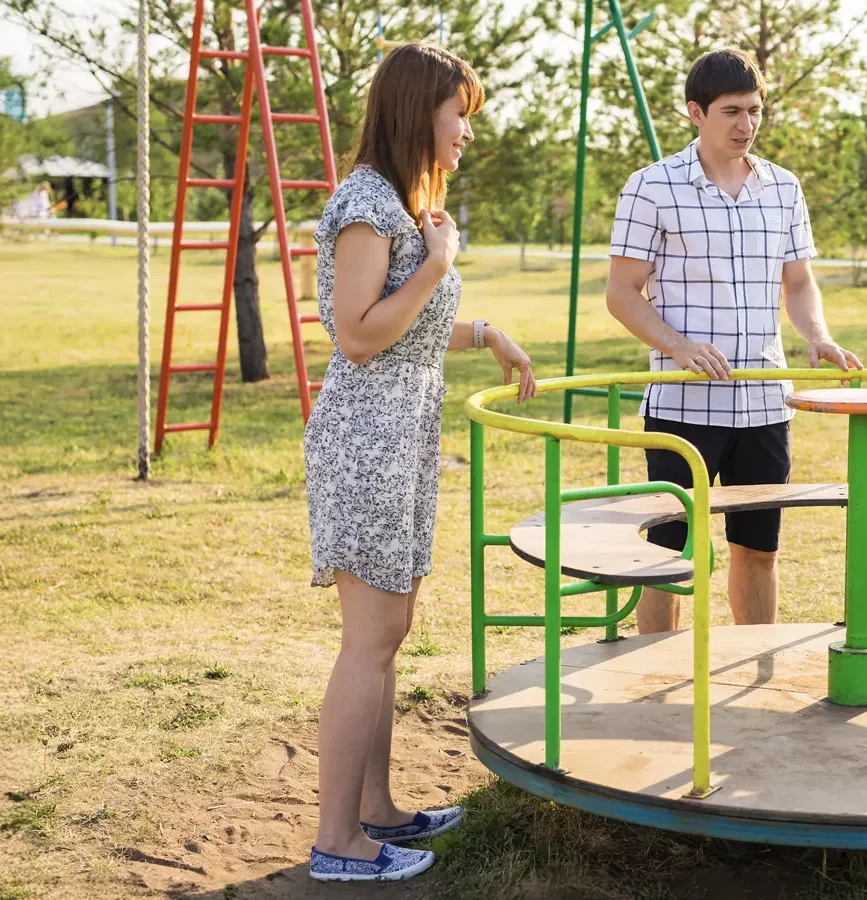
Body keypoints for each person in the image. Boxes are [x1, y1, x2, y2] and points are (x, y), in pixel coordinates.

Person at [303, 43, 537, 883]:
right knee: (369, 641)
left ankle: (376, 811)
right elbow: (360, 336)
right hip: (366, 440)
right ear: (418, 113)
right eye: (459, 113)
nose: (468, 131)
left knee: (386, 636)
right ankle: (339, 843)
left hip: (398, 438)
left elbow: (410, 328)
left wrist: (484, 334)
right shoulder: (368, 205)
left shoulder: (402, 203)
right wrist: (438, 263)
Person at [606, 48, 863, 634]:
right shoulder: (650, 187)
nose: (746, 125)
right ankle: (655, 690)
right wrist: (675, 344)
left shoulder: (783, 188)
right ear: (695, 112)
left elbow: (798, 283)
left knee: (759, 550)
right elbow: (622, 293)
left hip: (764, 404)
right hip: (683, 406)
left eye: (755, 111)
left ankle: (752, 677)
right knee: (668, 553)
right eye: (730, 112)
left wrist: (817, 334)